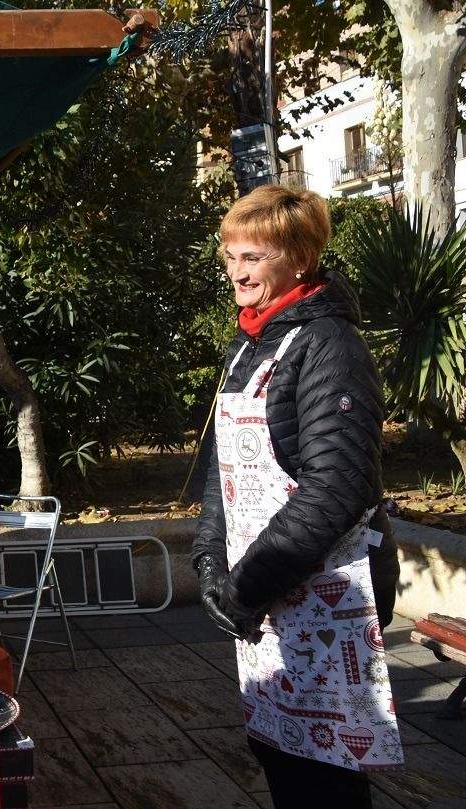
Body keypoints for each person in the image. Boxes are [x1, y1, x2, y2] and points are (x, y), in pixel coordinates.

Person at [192, 185, 401, 808]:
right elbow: (223, 469)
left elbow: (336, 488)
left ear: (300, 259)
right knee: (278, 748)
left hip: (323, 591)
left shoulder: (330, 344)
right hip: (264, 591)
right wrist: (208, 559)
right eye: (230, 256)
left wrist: (246, 584)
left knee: (325, 771)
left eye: (253, 256)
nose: (237, 271)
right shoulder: (251, 343)